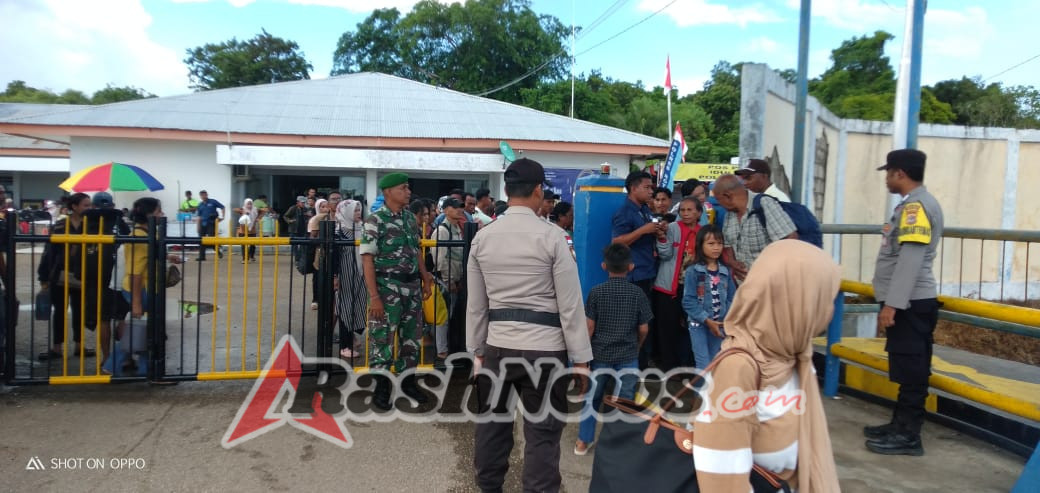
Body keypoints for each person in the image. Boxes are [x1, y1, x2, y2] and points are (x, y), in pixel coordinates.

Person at [467, 158, 592, 493]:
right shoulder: (554, 237)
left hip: (497, 348)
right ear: (538, 191)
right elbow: (570, 304)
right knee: (543, 433)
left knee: (492, 426)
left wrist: (476, 353)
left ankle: (489, 487)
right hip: (545, 351)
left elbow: (477, 306)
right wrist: (581, 360)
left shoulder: (483, 238)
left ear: (506, 192)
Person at [692, 240, 840, 492]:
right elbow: (722, 482)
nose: (829, 310)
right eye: (823, 299)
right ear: (794, 303)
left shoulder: (795, 354)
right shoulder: (738, 369)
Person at [864, 149, 944, 456]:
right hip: (909, 301)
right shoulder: (913, 205)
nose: (886, 178)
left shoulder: (916, 208)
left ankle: (909, 436)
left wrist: (892, 305)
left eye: (888, 172)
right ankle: (899, 425)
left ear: (899, 173)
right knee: (907, 366)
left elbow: (910, 260)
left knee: (912, 370)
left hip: (910, 302)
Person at [359, 172, 434, 411]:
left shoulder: (410, 220)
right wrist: (374, 298)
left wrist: (425, 277)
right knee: (383, 340)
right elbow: (367, 260)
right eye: (403, 188)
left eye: (408, 188)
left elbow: (416, 251)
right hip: (386, 289)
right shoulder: (375, 220)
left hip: (411, 288)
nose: (408, 192)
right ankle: (382, 389)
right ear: (388, 192)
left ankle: (408, 384)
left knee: (411, 338)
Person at [574, 243, 651, 456]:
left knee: (593, 397)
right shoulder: (638, 294)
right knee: (626, 401)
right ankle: (620, 443)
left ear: (604, 266)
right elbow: (643, 328)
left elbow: (589, 327)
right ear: (631, 267)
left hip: (600, 355)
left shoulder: (596, 292)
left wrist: (583, 357)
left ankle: (583, 441)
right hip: (628, 355)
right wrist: (637, 346)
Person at [611, 170, 665, 368]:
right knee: (635, 326)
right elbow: (617, 242)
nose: (651, 191)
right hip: (634, 276)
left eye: (651, 187)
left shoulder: (644, 210)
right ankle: (630, 367)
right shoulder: (624, 213)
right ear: (633, 189)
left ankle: (640, 365)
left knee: (644, 324)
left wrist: (658, 229)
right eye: (647, 187)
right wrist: (644, 230)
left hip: (646, 273)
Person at [37, 193, 96, 360]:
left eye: (90, 205)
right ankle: (57, 348)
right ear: (74, 207)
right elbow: (49, 252)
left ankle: (79, 345)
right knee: (59, 312)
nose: (89, 208)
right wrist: (44, 276)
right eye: (85, 205)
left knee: (79, 311)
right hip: (59, 274)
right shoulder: (60, 225)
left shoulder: (91, 225)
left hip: (82, 274)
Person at [713, 174, 796, 282]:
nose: (720, 205)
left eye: (719, 201)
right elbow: (728, 244)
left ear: (727, 196)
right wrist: (732, 262)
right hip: (745, 286)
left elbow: (791, 239)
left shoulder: (764, 204)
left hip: (771, 283)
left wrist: (771, 269)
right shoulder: (730, 215)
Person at [652, 196, 702, 371]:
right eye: (682, 210)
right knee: (667, 329)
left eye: (690, 210)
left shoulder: (703, 232)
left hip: (694, 289)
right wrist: (662, 238)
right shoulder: (672, 228)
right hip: (668, 287)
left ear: (699, 213)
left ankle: (688, 364)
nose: (686, 213)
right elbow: (665, 255)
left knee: (691, 328)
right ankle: (669, 368)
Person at [682, 225, 735, 369]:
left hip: (720, 325)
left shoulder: (726, 271)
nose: (716, 248)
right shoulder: (693, 271)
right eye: (711, 244)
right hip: (698, 324)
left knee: (715, 361)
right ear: (701, 245)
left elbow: (732, 298)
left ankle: (711, 391)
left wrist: (725, 319)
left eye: (719, 243)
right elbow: (688, 301)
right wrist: (706, 319)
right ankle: (701, 391)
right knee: (703, 364)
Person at [333, 199, 367, 361]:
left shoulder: (361, 228)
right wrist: (335, 277)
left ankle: (351, 339)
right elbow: (334, 258)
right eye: (354, 210)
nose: (358, 213)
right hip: (345, 276)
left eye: (359, 210)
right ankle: (344, 346)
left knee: (356, 307)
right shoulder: (339, 232)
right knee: (345, 308)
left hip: (359, 275)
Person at [195, 190, 224, 261]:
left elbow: (222, 207)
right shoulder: (200, 205)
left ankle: (218, 251)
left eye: (205, 195)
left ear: (207, 195)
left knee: (211, 239)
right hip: (203, 224)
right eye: (202, 195)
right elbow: (199, 217)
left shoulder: (212, 201)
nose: (203, 196)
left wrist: (223, 217)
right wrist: (198, 227)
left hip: (211, 223)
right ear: (200, 196)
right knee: (201, 240)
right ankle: (202, 256)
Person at [235, 198, 258, 263]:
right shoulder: (243, 209)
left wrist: (258, 218)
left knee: (252, 244)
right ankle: (244, 258)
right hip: (243, 230)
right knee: (244, 245)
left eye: (251, 204)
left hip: (252, 230)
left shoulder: (255, 209)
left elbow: (264, 210)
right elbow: (235, 209)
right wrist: (243, 212)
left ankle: (251, 256)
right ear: (245, 204)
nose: (249, 205)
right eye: (248, 204)